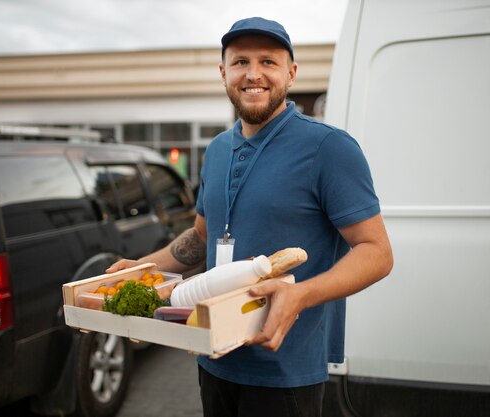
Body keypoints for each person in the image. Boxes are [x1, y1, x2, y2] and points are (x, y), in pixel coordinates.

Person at [106, 16, 393, 417]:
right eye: (240, 61)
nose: (253, 74)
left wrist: (300, 294)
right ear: (223, 73)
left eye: (268, 62)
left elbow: (377, 252)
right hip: (211, 354)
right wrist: (143, 267)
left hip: (285, 372)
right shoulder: (218, 150)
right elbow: (202, 237)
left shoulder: (329, 148)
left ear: (291, 73)